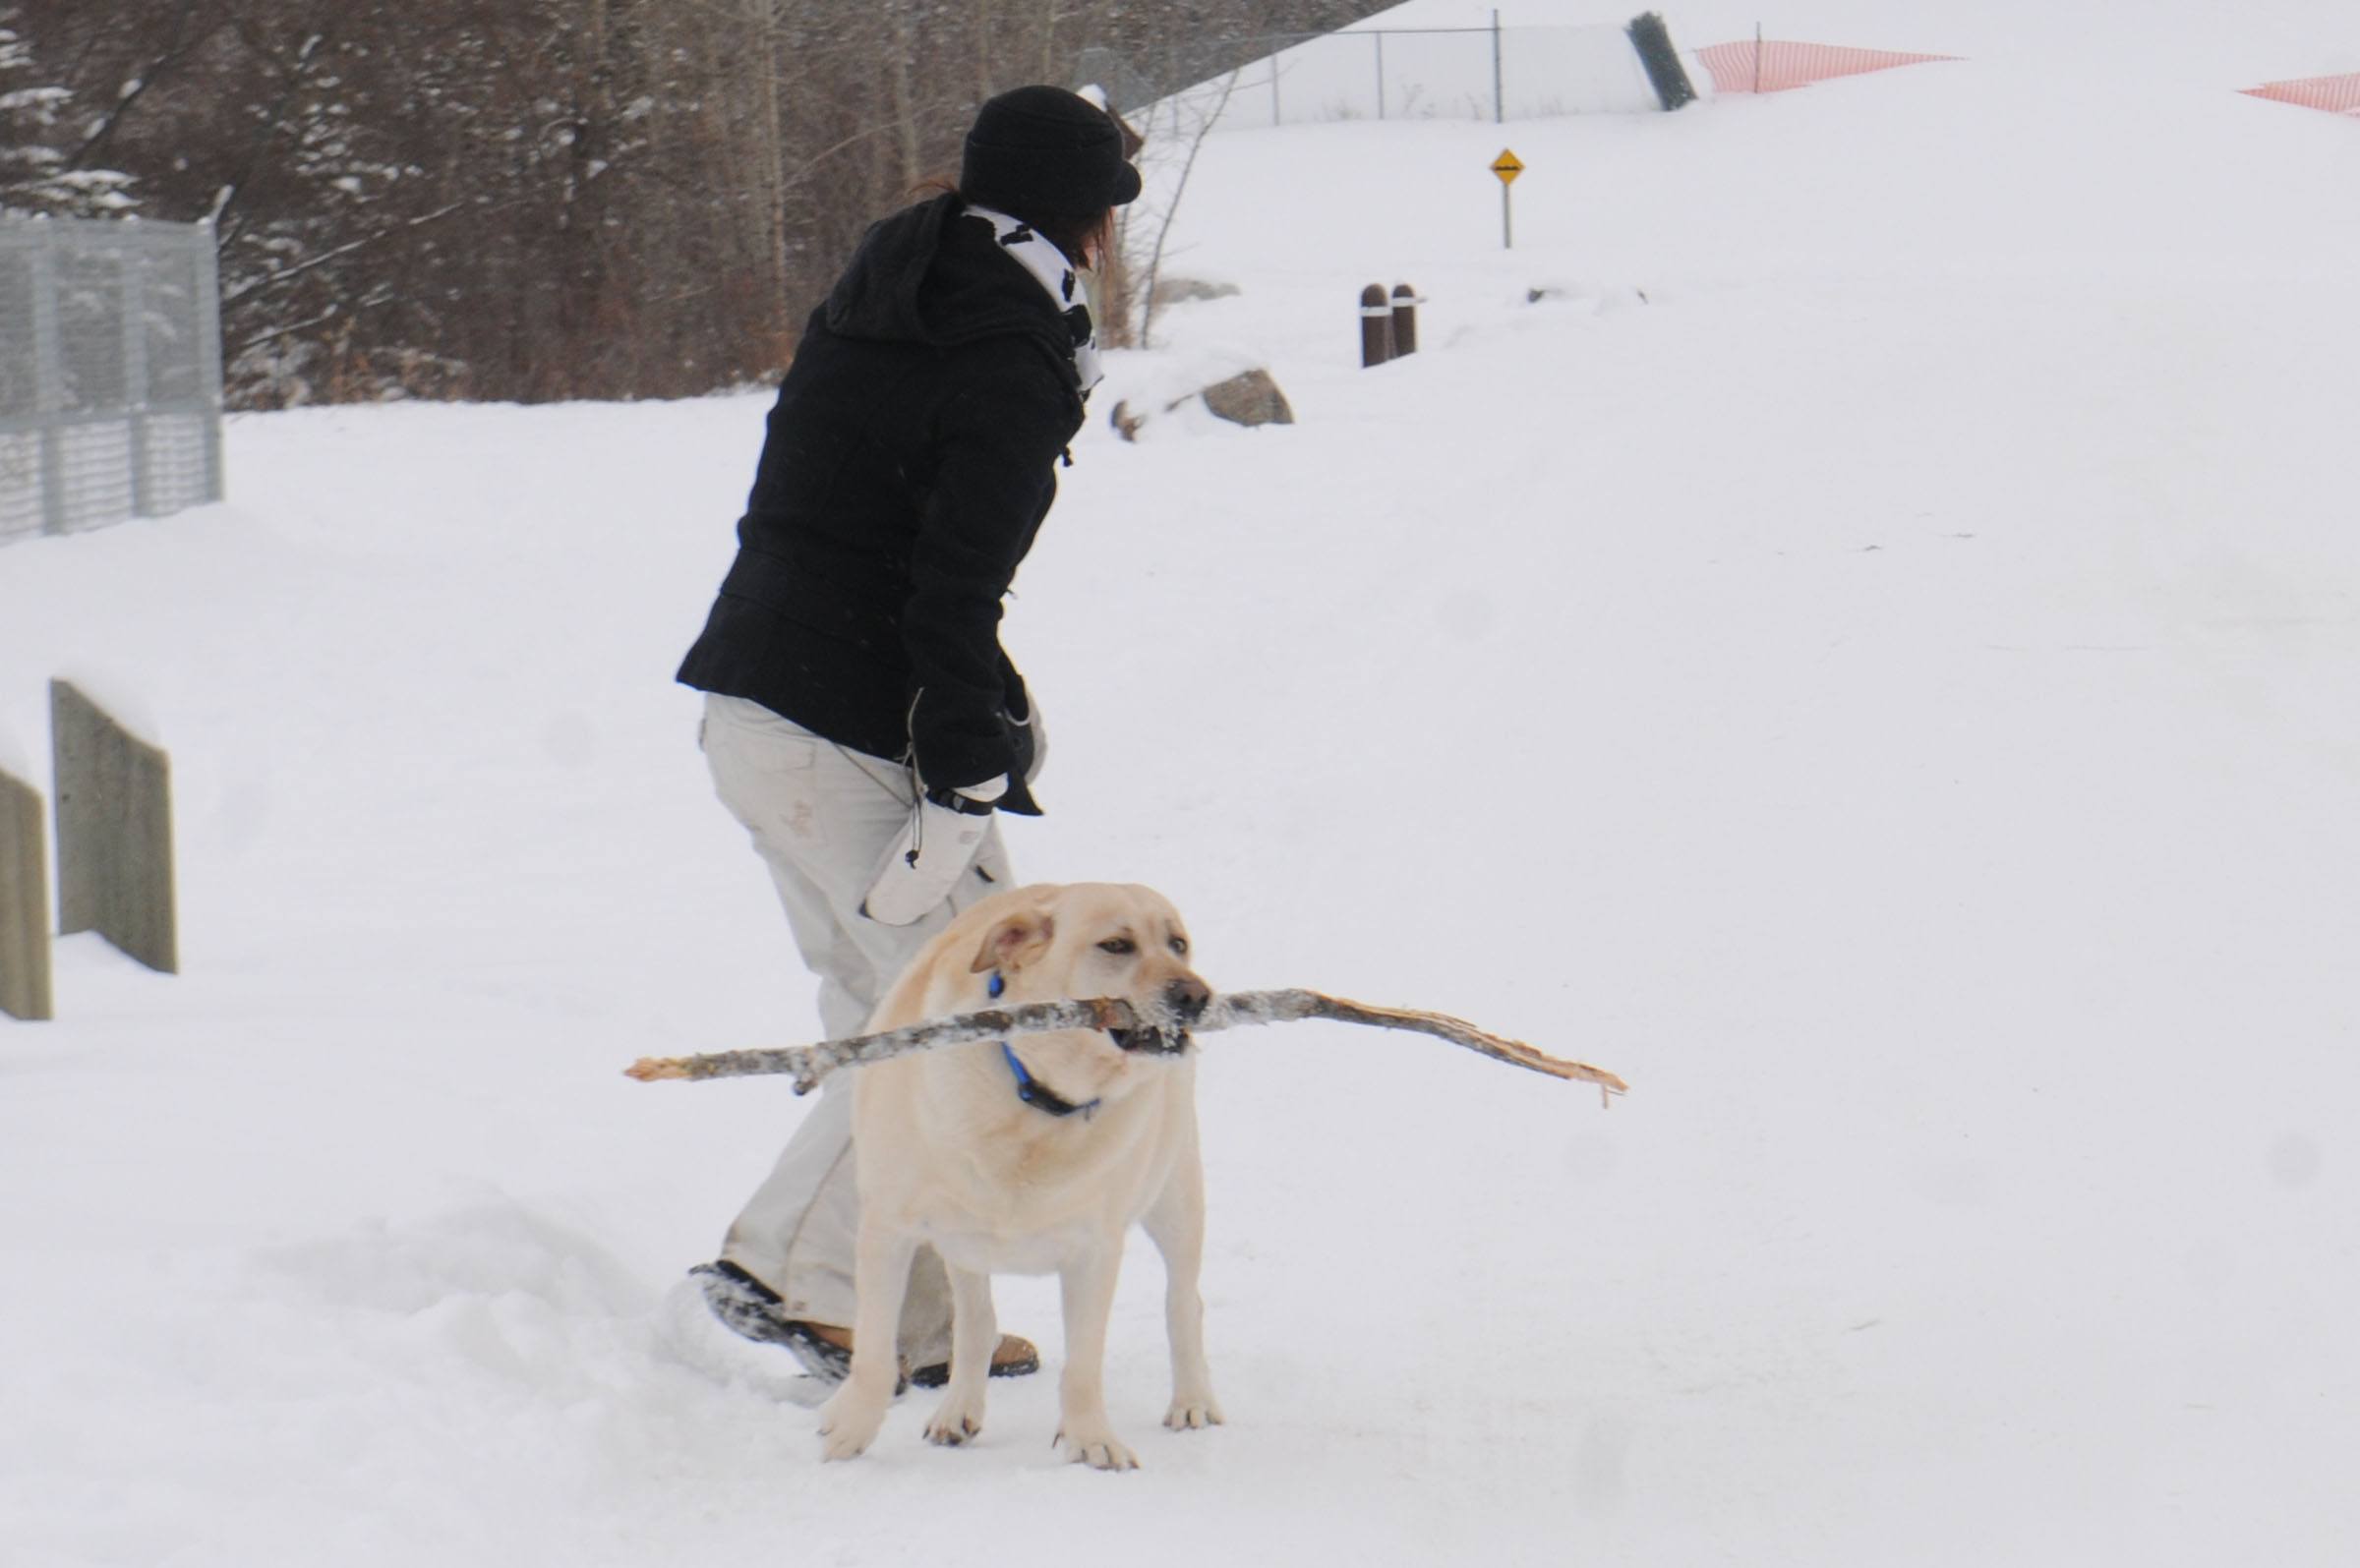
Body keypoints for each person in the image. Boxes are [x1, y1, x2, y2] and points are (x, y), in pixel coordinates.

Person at [673, 86, 1142, 1387]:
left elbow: (850, 516)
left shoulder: (903, 275)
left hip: (758, 706)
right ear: (1091, 223)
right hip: (843, 733)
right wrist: (964, 737)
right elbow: (952, 576)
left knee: (883, 1008)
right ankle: (803, 1282)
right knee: (955, 1015)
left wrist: (977, 691)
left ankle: (914, 1319)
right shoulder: (1010, 350)